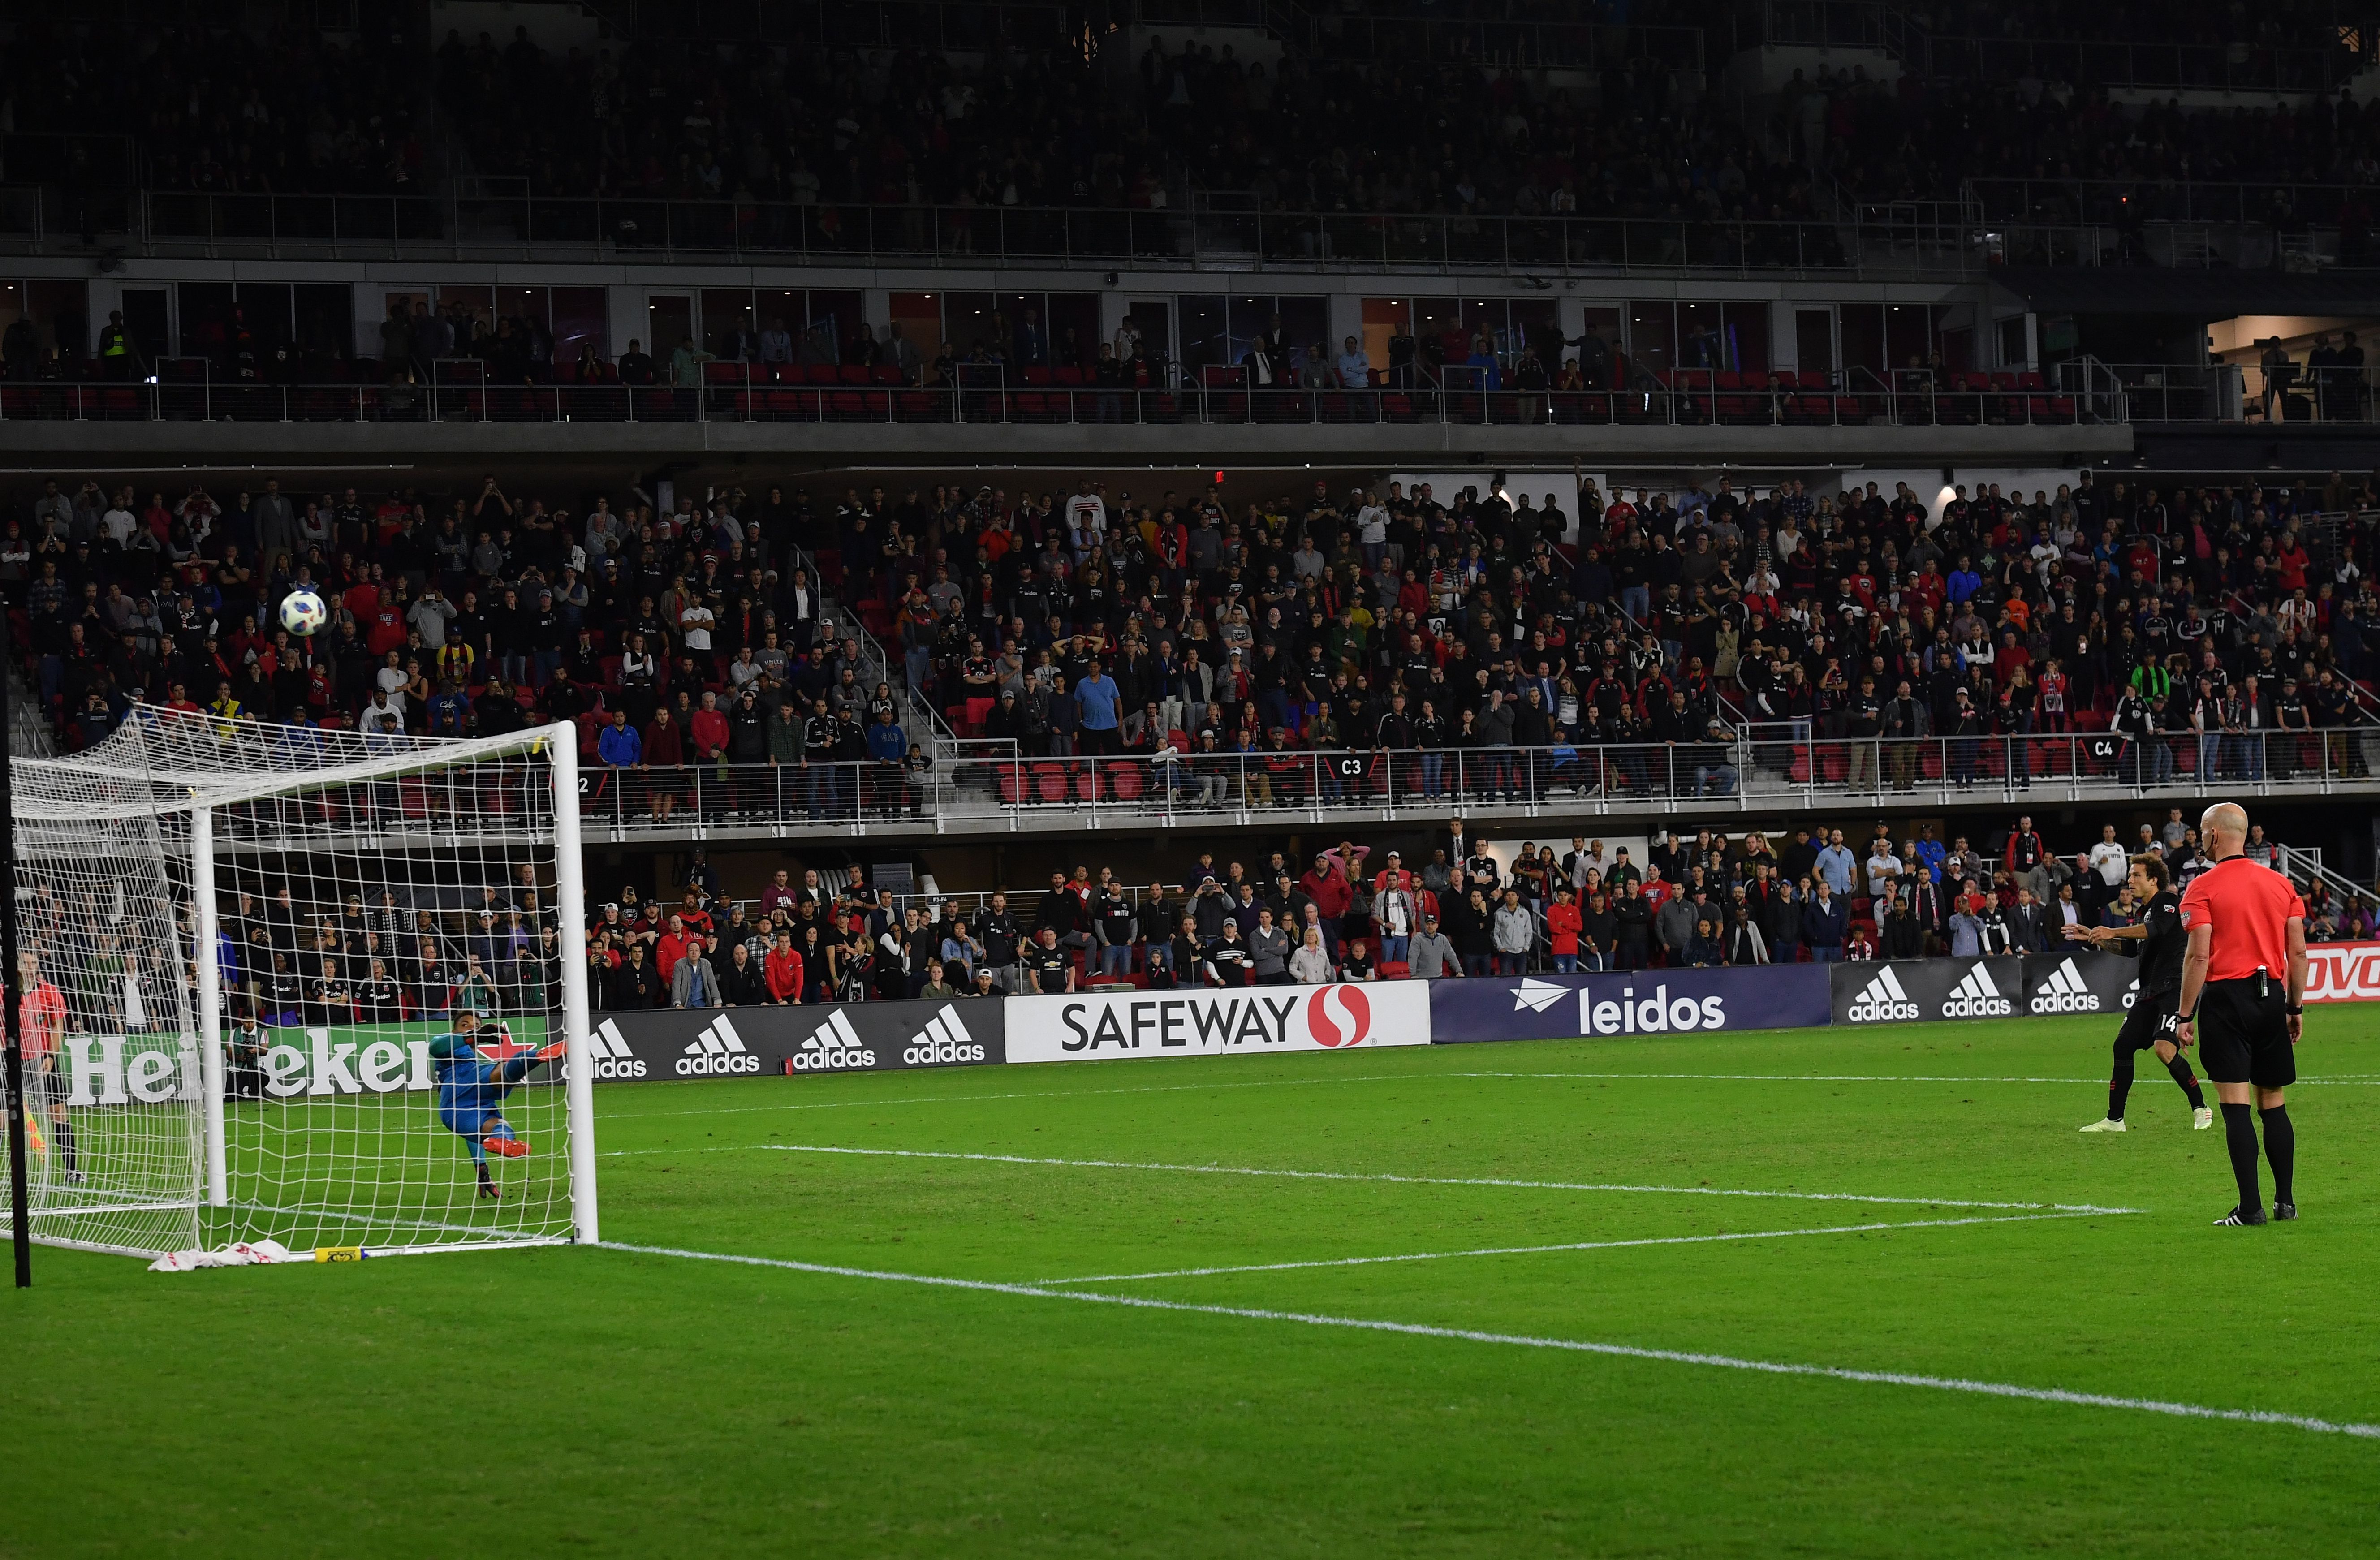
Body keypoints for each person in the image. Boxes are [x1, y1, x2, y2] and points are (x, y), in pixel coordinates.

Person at [2176, 803, 2308, 1225]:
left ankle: (2250, 1208)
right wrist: (2294, 1006)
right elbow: (2299, 952)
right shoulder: (2281, 884)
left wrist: (2184, 1014)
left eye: (2201, 832)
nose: (2200, 839)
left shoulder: (2202, 888)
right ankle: (2285, 1203)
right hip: (2271, 996)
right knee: (2273, 1101)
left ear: (2215, 836)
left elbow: (2199, 956)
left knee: (2236, 1106)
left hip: (2226, 1000)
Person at [2071, 855, 2211, 1134]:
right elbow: (2130, 949)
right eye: (2130, 876)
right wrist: (2096, 938)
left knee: (2164, 1049)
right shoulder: (2141, 912)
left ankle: (2200, 1107)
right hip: (2149, 992)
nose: (2130, 881)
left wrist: (2113, 929)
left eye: (2136, 876)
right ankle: (2114, 1120)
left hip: (2175, 988)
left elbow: (2156, 930)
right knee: (2122, 1046)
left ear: (2153, 880)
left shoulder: (2168, 902)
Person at [428, 1010, 567, 1199]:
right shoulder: (451, 1046)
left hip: (458, 1115)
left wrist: (481, 1168)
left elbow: (474, 1138)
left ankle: (503, 1142)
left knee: (497, 1127)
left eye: (476, 1026)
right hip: (460, 1087)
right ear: (455, 1029)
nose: (471, 1029)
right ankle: (536, 1057)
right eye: (465, 1025)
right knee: (501, 1071)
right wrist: (473, 1035)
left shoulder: (472, 1058)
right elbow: (436, 1046)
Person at [18, 952, 75, 1184]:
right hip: (9, 1062)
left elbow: (57, 1026)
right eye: (26, 963)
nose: (31, 967)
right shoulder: (4, 993)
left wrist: (51, 1055)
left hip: (42, 1060)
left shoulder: (50, 992)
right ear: (18, 967)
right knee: (3, 1119)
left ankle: (72, 1170)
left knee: (59, 1114)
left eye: (35, 963)